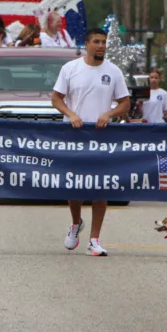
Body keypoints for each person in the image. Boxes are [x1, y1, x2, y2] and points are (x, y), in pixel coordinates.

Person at [51, 28, 130, 257]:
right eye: (97, 41)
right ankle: (76, 223)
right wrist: (71, 114)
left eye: (104, 42)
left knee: (100, 187)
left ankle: (94, 240)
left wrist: (109, 114)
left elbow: (125, 103)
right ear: (87, 44)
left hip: (101, 138)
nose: (101, 46)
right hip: (75, 136)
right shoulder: (70, 68)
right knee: (75, 185)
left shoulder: (113, 71)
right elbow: (56, 98)